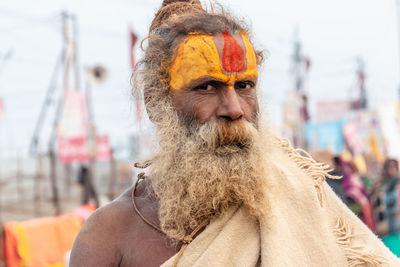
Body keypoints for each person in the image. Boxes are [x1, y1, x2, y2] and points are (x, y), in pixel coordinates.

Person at [70, 0, 400, 266]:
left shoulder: (298, 193)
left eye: (244, 86)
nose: (234, 108)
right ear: (157, 103)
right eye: (207, 86)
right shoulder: (107, 236)